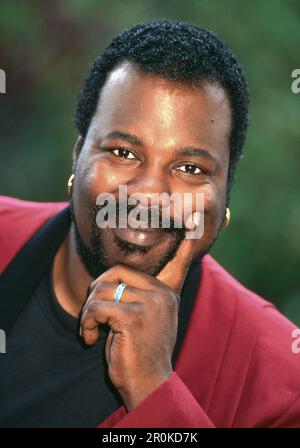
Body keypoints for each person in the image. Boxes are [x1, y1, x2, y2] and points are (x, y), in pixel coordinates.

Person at [0, 19, 299, 428]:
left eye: (190, 167)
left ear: (225, 194)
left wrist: (155, 392)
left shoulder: (280, 384)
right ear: (77, 155)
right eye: (123, 153)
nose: (146, 195)